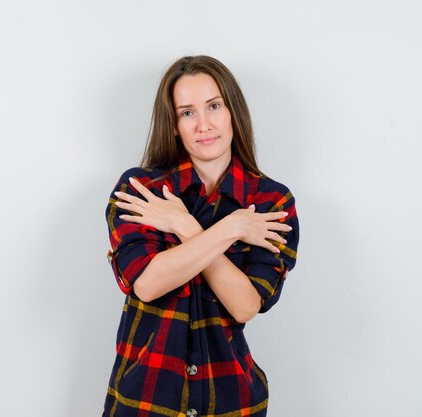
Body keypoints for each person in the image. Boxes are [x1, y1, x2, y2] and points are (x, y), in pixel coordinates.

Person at [102, 55, 300, 417]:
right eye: (187, 113)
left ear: (233, 112)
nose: (204, 125)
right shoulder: (141, 190)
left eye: (214, 106)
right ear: (174, 125)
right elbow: (147, 284)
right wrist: (233, 228)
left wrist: (185, 226)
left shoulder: (271, 201)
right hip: (144, 400)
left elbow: (245, 304)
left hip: (230, 401)